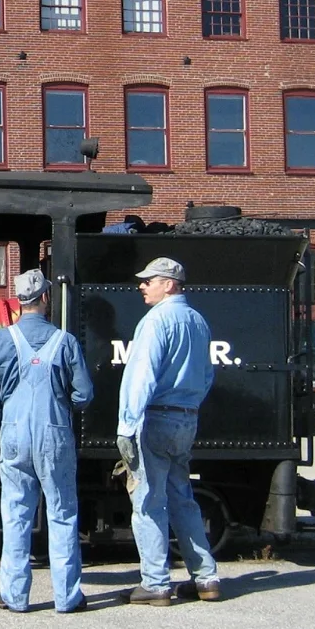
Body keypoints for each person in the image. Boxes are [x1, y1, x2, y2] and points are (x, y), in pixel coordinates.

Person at [0, 268, 93, 614]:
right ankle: (68, 597)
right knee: (62, 513)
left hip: (14, 432)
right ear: (45, 298)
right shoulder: (67, 341)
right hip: (54, 432)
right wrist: (62, 406)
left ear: (18, 302)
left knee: (15, 512)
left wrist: (4, 426)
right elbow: (84, 394)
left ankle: (13, 596)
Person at [116, 256, 219, 606]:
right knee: (183, 497)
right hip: (187, 417)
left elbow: (141, 376)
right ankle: (206, 578)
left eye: (149, 280)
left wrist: (126, 427)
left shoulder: (155, 321)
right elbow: (207, 375)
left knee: (148, 501)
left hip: (156, 419)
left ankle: (156, 583)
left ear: (169, 284)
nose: (142, 285)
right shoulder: (198, 321)